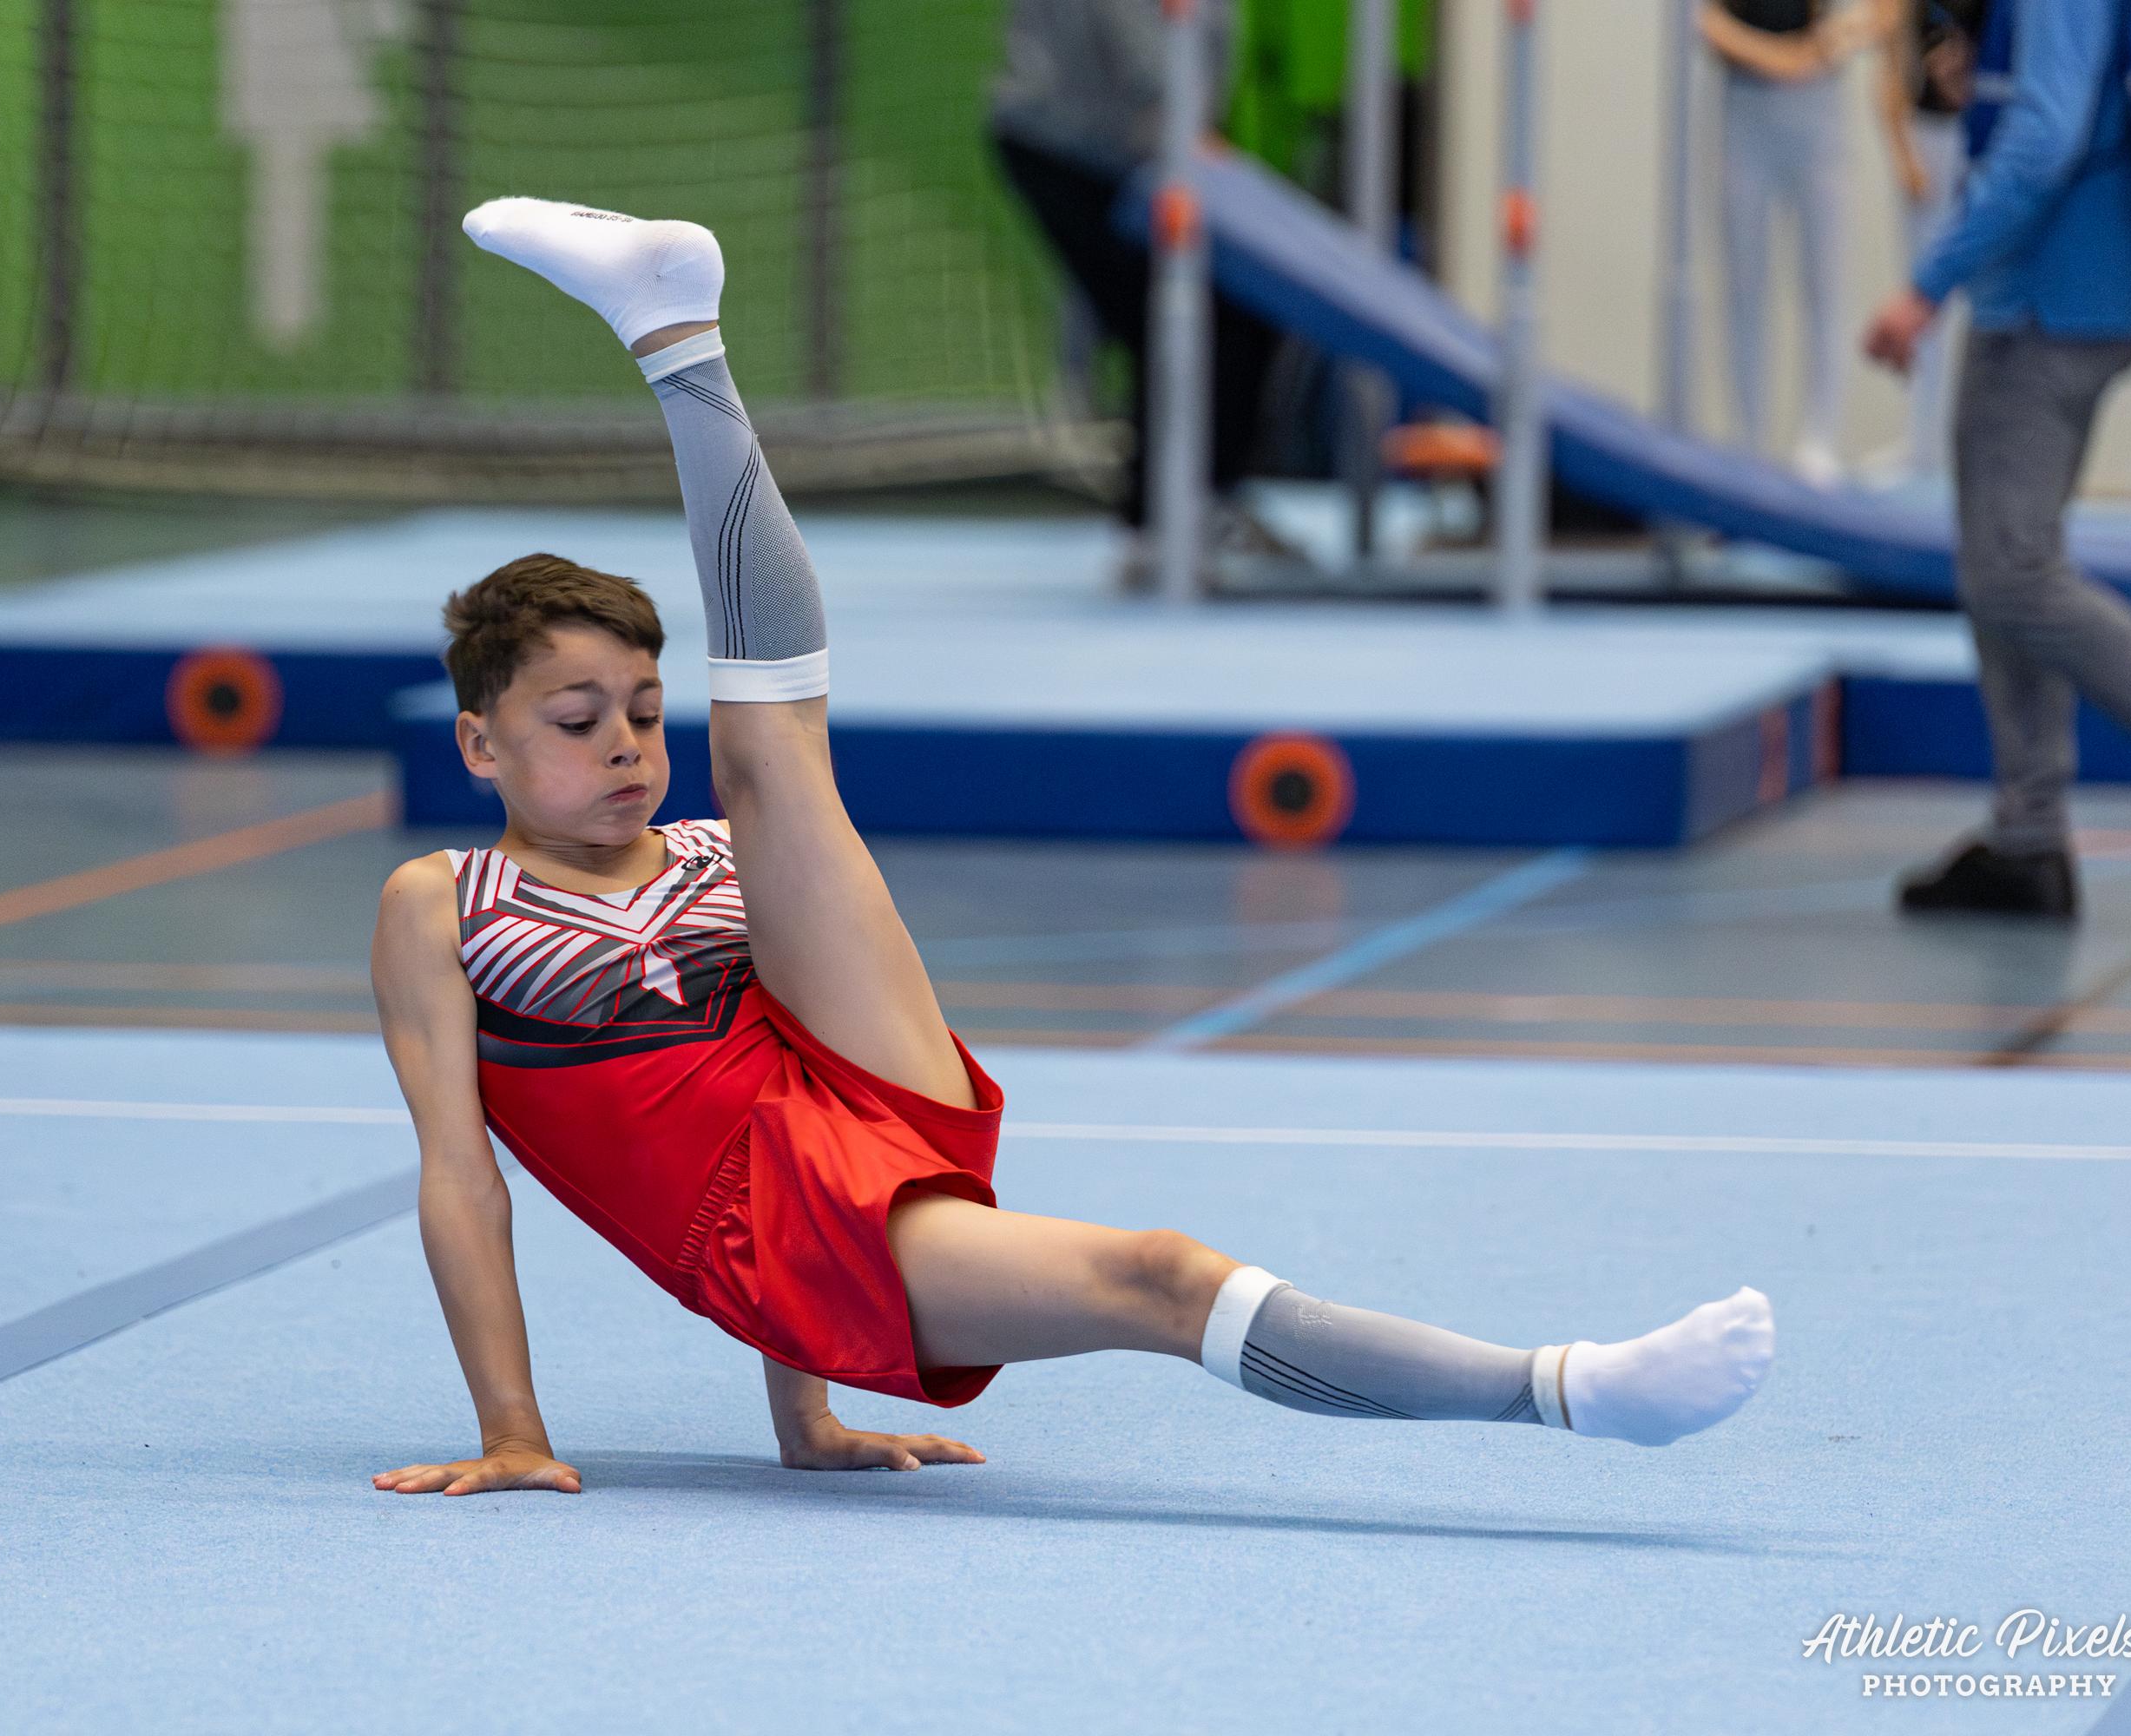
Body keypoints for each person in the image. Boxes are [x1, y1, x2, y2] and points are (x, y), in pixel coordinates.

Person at [362, 197, 1775, 1496]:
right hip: (759, 1225)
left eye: (641, 710)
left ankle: (678, 330)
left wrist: (809, 1413)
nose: (623, 743)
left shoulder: (709, 850)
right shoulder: (445, 905)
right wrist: (513, 1432)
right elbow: (461, 1178)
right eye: (577, 722)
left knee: (773, 770)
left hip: (859, 1102)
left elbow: (780, 1054)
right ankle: (1564, 1390)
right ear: (479, 745)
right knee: (1159, 1276)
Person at [1867, 0, 2131, 917]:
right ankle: (2028, 834)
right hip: (2049, 291)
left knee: (2013, 573)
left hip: (2055, 297)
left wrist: (1926, 283)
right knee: (2001, 566)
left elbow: (2047, 135)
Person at [988, 0, 1287, 588]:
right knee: (1188, 315)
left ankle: (1181, 508)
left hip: (1109, 140)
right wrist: (1184, 124)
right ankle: (1169, 517)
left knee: (1203, 312)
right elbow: (1138, 36)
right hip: (1067, 140)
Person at [1701, 0, 1881, 484]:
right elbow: (1705, 22)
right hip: (1746, 102)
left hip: (1817, 107)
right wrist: (1782, 58)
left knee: (1825, 282)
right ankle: (1747, 437)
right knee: (1744, 285)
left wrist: (1828, 45)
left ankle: (1820, 438)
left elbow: (1881, 16)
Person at [1873, 0, 1981, 482]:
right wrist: (1904, 157)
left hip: (1975, 137)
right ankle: (1922, 446)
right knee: (1922, 297)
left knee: (1972, 304)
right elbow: (1890, 77)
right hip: (1927, 138)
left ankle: (1959, 446)